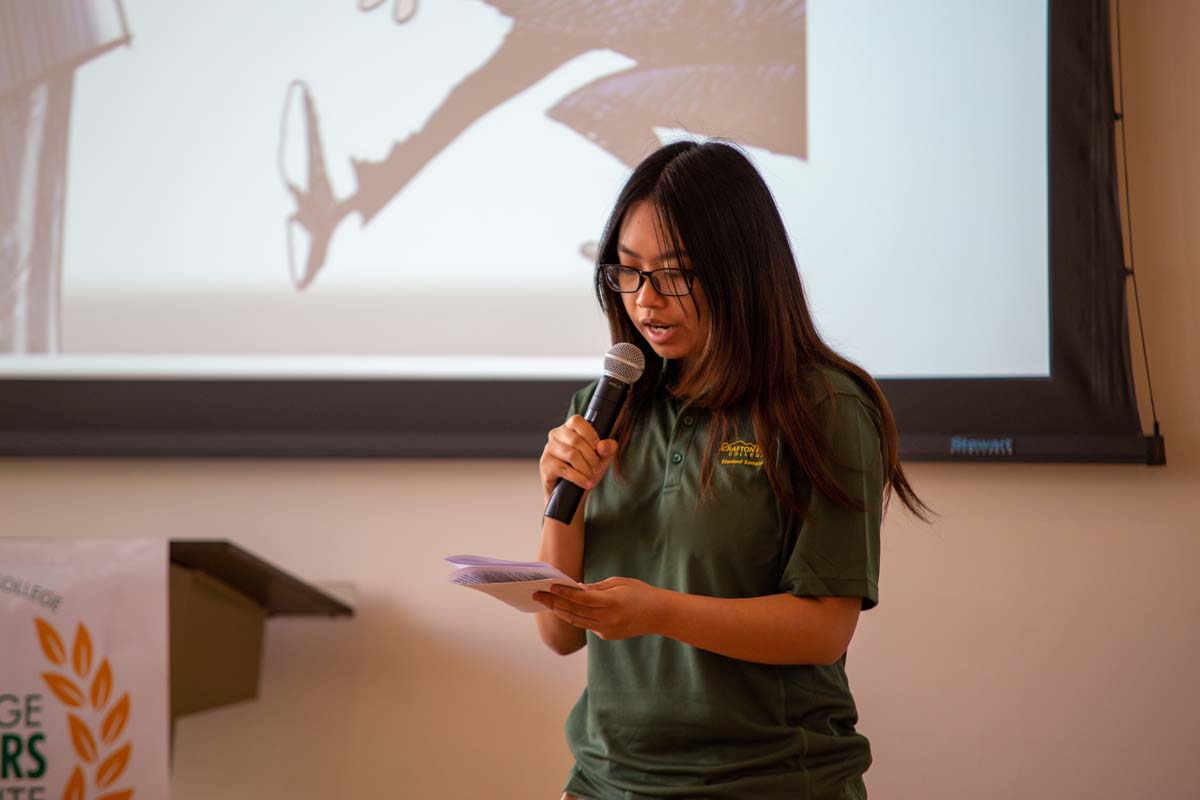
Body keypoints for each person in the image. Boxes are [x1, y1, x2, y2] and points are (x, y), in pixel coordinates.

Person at [532, 139, 929, 799]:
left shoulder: (822, 406)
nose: (645, 300)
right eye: (628, 271)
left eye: (674, 274)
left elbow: (824, 628)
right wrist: (560, 499)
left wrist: (658, 611)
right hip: (605, 783)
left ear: (741, 270)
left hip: (769, 782)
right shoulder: (603, 408)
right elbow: (559, 633)